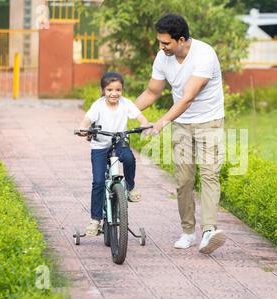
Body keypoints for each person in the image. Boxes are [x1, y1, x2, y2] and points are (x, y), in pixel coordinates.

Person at [135, 14, 226, 254]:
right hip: (182, 125)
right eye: (159, 42)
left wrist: (162, 122)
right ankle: (188, 232)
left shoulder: (204, 55)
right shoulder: (163, 57)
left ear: (182, 40)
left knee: (209, 175)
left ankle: (209, 231)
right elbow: (152, 92)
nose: (160, 47)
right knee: (184, 181)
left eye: (165, 43)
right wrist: (122, 111)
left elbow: (187, 97)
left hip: (209, 123)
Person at [77, 72, 151, 236]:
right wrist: (83, 129)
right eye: (110, 89)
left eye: (118, 90)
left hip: (119, 141)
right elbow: (86, 120)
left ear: (122, 90)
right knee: (98, 181)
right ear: (103, 90)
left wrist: (145, 125)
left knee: (130, 159)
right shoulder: (98, 105)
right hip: (100, 145)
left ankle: (130, 187)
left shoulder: (126, 103)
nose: (114, 93)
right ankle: (95, 220)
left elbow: (140, 117)